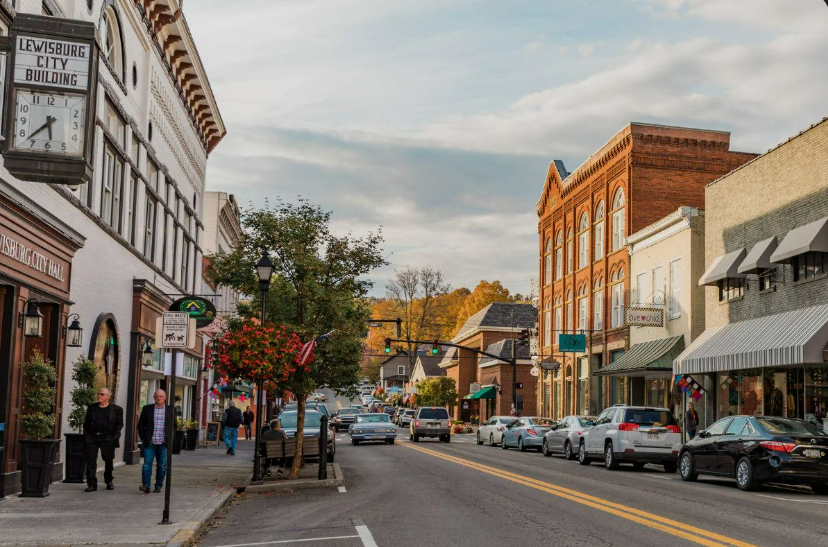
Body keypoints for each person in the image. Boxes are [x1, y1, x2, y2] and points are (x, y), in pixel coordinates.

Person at [83, 387, 124, 492]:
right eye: (99, 393)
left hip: (107, 438)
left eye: (102, 394)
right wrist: (87, 435)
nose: (99, 396)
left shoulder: (117, 409)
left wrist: (115, 436)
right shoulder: (92, 407)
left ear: (108, 396)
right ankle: (92, 484)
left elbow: (119, 425)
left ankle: (108, 480)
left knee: (108, 460)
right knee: (91, 460)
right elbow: (87, 422)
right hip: (92, 437)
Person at [137, 389, 174, 494]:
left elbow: (174, 426)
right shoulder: (147, 409)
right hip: (150, 443)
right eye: (157, 396)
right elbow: (140, 426)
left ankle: (158, 486)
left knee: (162, 466)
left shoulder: (170, 410)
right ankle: (146, 486)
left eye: (161, 396)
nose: (159, 398)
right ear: (154, 398)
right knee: (146, 465)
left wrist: (170, 439)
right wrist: (144, 438)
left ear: (165, 398)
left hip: (163, 443)